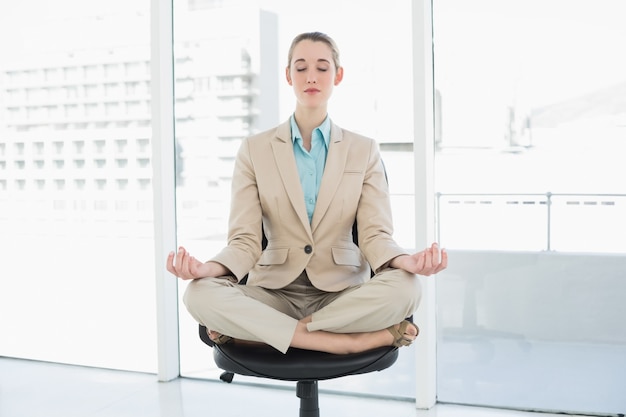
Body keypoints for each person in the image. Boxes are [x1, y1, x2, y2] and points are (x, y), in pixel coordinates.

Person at [166, 31, 447, 355]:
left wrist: (404, 260)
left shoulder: (364, 150)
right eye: (300, 67)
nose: (311, 76)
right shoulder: (254, 150)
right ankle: (346, 342)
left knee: (407, 288)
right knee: (198, 293)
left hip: (341, 293)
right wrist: (205, 270)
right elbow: (244, 242)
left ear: (337, 75)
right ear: (288, 75)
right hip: (273, 293)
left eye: (322, 67)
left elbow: (375, 236)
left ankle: (264, 332)